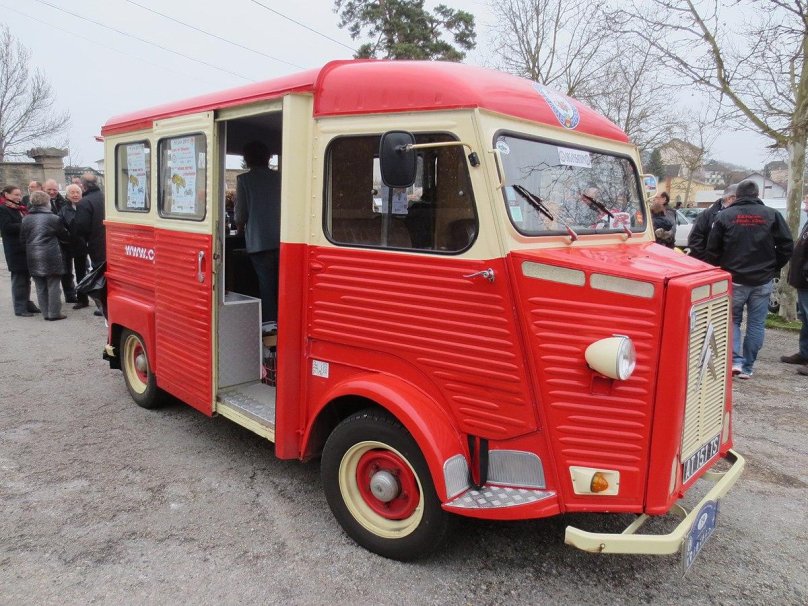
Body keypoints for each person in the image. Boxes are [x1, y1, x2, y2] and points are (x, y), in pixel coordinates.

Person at [705, 179, 794, 379]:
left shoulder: (725, 216)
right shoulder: (772, 215)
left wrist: (721, 269)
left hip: (733, 277)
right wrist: (773, 267)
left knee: (732, 320)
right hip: (762, 279)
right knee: (756, 324)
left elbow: (712, 249)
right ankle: (747, 366)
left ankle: (735, 361)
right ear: (757, 195)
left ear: (737, 195)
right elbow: (787, 245)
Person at [235, 141, 281, 321]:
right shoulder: (280, 178)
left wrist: (239, 229)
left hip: (258, 241)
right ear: (268, 158)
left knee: (266, 286)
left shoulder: (244, 180)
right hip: (282, 241)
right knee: (282, 286)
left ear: (247, 159)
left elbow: (241, 214)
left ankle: (270, 324)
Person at [20, 191, 70, 321]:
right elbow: (64, 236)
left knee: (40, 286)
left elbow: (22, 239)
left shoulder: (25, 219)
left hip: (33, 255)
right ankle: (54, 313)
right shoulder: (54, 218)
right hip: (51, 255)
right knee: (53, 285)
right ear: (47, 202)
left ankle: (46, 313)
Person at [0, 185, 40, 316]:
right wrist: (26, 223)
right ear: (6, 194)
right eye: (15, 195)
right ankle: (20, 307)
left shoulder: (20, 207)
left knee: (26, 277)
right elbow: (6, 228)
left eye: (19, 194)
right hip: (15, 249)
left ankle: (27, 302)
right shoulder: (3, 208)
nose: (18, 197)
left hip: (25, 247)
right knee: (19, 279)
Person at [780, 194, 808, 374]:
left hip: (806, 278)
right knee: (805, 318)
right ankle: (804, 354)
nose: (805, 202)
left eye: (807, 200)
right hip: (802, 280)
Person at [73, 173, 106, 317]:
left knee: (100, 277)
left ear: (83, 186)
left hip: (96, 245)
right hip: (112, 243)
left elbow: (81, 227)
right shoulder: (106, 197)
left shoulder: (84, 202)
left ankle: (103, 306)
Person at [44, 179, 75, 302]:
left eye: (54, 189)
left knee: (67, 270)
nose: (52, 192)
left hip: (65, 242)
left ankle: (70, 294)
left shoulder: (64, 202)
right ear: (44, 189)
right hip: (49, 243)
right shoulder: (39, 202)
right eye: (49, 190)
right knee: (51, 273)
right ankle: (51, 298)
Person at [59, 184, 90, 309]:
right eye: (72, 192)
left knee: (83, 272)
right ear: (67, 195)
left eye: (77, 192)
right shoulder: (64, 210)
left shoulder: (86, 207)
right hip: (69, 244)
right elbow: (60, 227)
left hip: (84, 244)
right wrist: (68, 237)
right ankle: (76, 297)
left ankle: (84, 297)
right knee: (71, 272)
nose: (75, 195)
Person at [688, 184, 737, 261]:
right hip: (710, 263)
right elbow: (695, 240)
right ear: (730, 198)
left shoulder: (740, 215)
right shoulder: (706, 215)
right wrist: (707, 261)